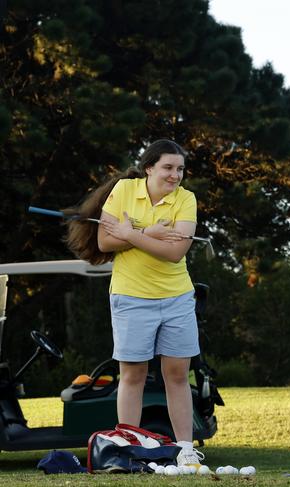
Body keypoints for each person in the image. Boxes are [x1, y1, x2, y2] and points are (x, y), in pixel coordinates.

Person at [65, 139, 204, 468]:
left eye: (180, 169)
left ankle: (185, 448)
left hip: (176, 297)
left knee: (178, 374)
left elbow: (174, 253)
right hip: (131, 296)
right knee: (132, 374)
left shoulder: (186, 199)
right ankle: (129, 446)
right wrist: (153, 234)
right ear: (150, 168)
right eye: (168, 167)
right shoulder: (125, 190)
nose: (175, 175)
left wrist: (132, 234)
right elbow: (104, 241)